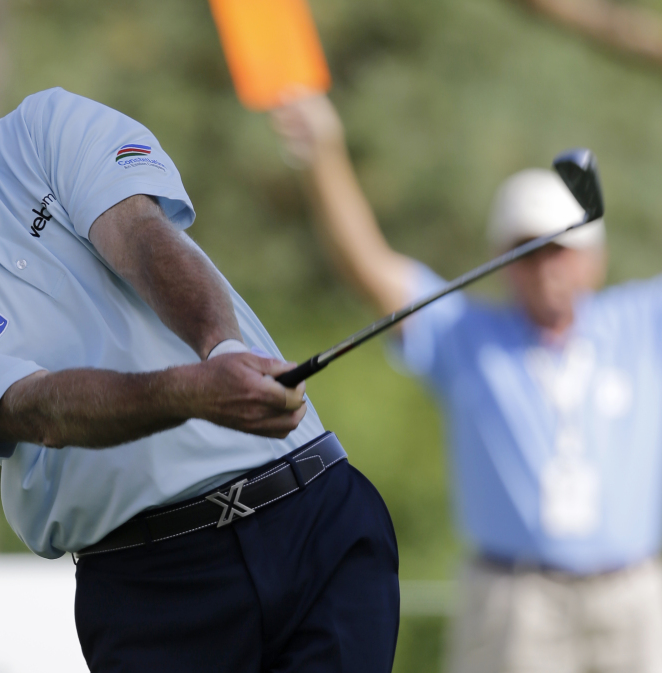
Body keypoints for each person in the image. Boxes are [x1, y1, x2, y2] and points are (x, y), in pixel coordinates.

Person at [0, 58, 399, 671]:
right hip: (154, 589)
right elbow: (43, 408)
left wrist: (221, 350)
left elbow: (138, 237)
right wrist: (197, 391)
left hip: (313, 512)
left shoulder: (42, 130)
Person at [273, 94, 662, 672]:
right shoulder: (466, 333)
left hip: (634, 595)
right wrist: (324, 153)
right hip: (515, 603)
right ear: (501, 259)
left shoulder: (640, 323)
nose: (547, 267)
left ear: (595, 259)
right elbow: (368, 265)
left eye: (562, 249)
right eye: (528, 252)